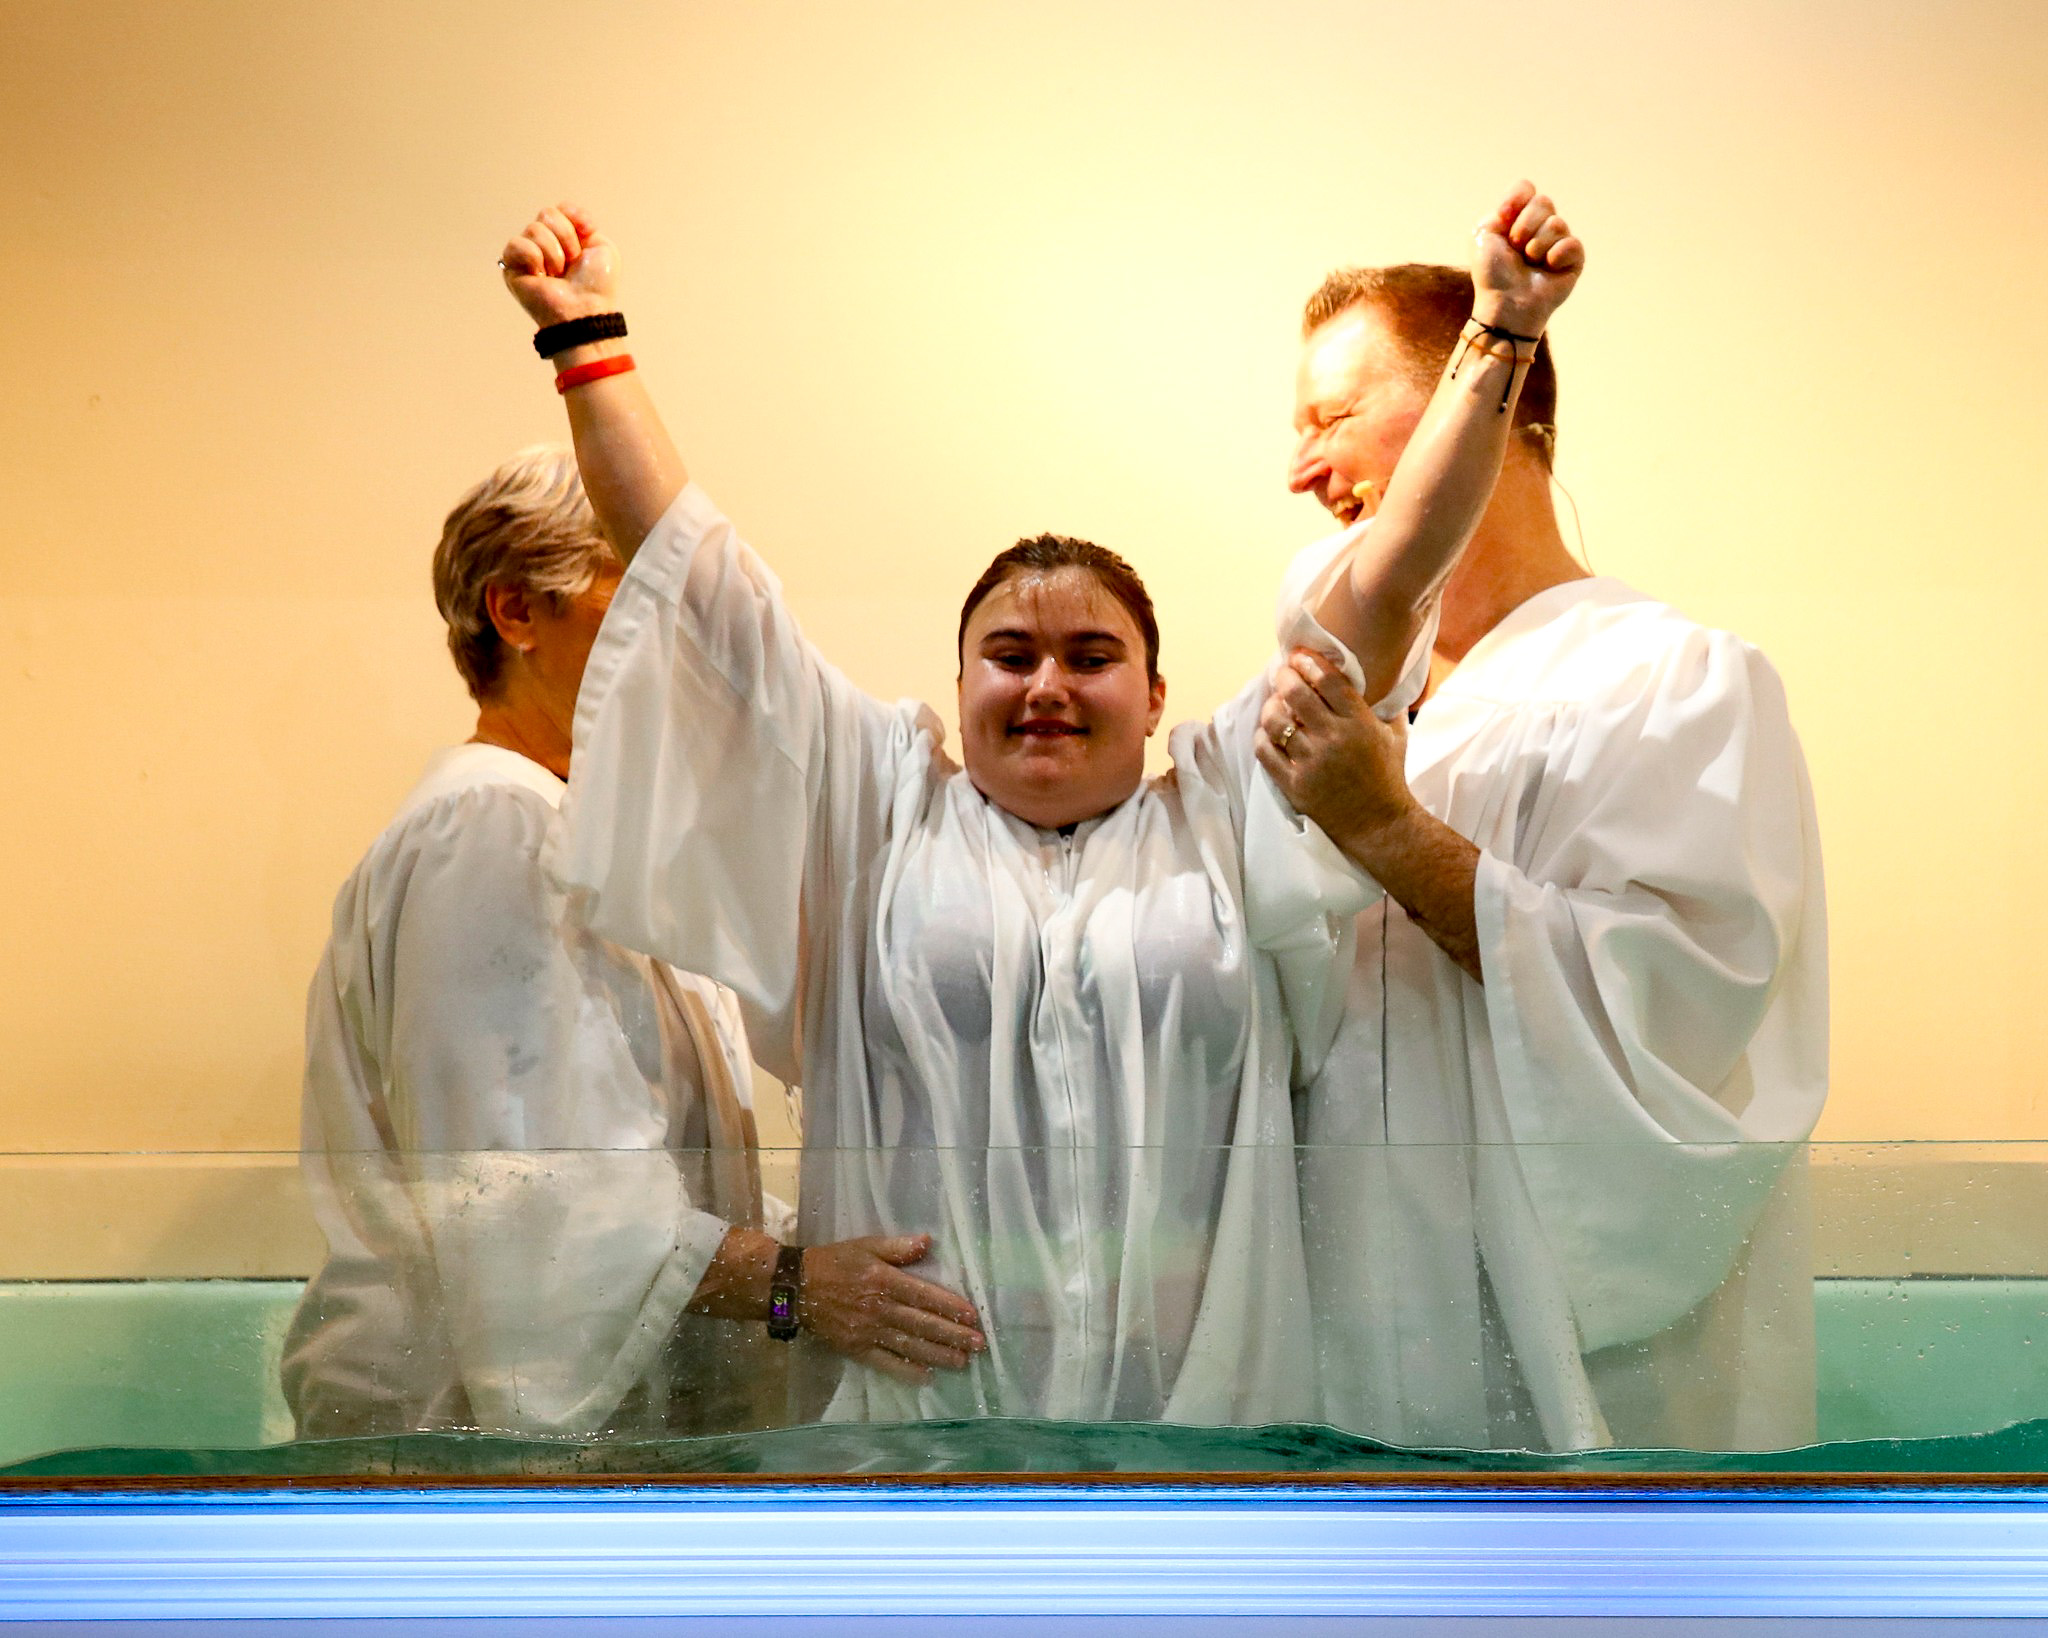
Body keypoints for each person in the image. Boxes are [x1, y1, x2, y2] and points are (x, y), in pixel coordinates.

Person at [494, 186, 1582, 1426]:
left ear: (1157, 692)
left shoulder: (1229, 806)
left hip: (1205, 1450)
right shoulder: (876, 811)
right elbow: (695, 575)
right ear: (957, 692)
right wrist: (585, 339)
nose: (1048, 685)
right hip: (917, 1458)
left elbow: (1389, 577)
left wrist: (1499, 332)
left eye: (1090, 655)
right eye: (1010, 655)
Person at [281, 447, 984, 1441]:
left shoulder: (586, 837)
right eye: (643, 605)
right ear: (518, 613)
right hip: (461, 1474)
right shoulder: (489, 828)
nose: (682, 648)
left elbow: (657, 1196)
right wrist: (798, 1287)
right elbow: (545, 1209)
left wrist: (846, 1254)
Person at [1266, 232, 1828, 1451]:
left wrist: (1382, 829)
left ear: (1487, 400)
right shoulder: (1350, 696)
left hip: (1594, 1383)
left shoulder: (1669, 679)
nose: (1301, 470)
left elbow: (1680, 1005)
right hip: (1353, 1337)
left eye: (1332, 415)